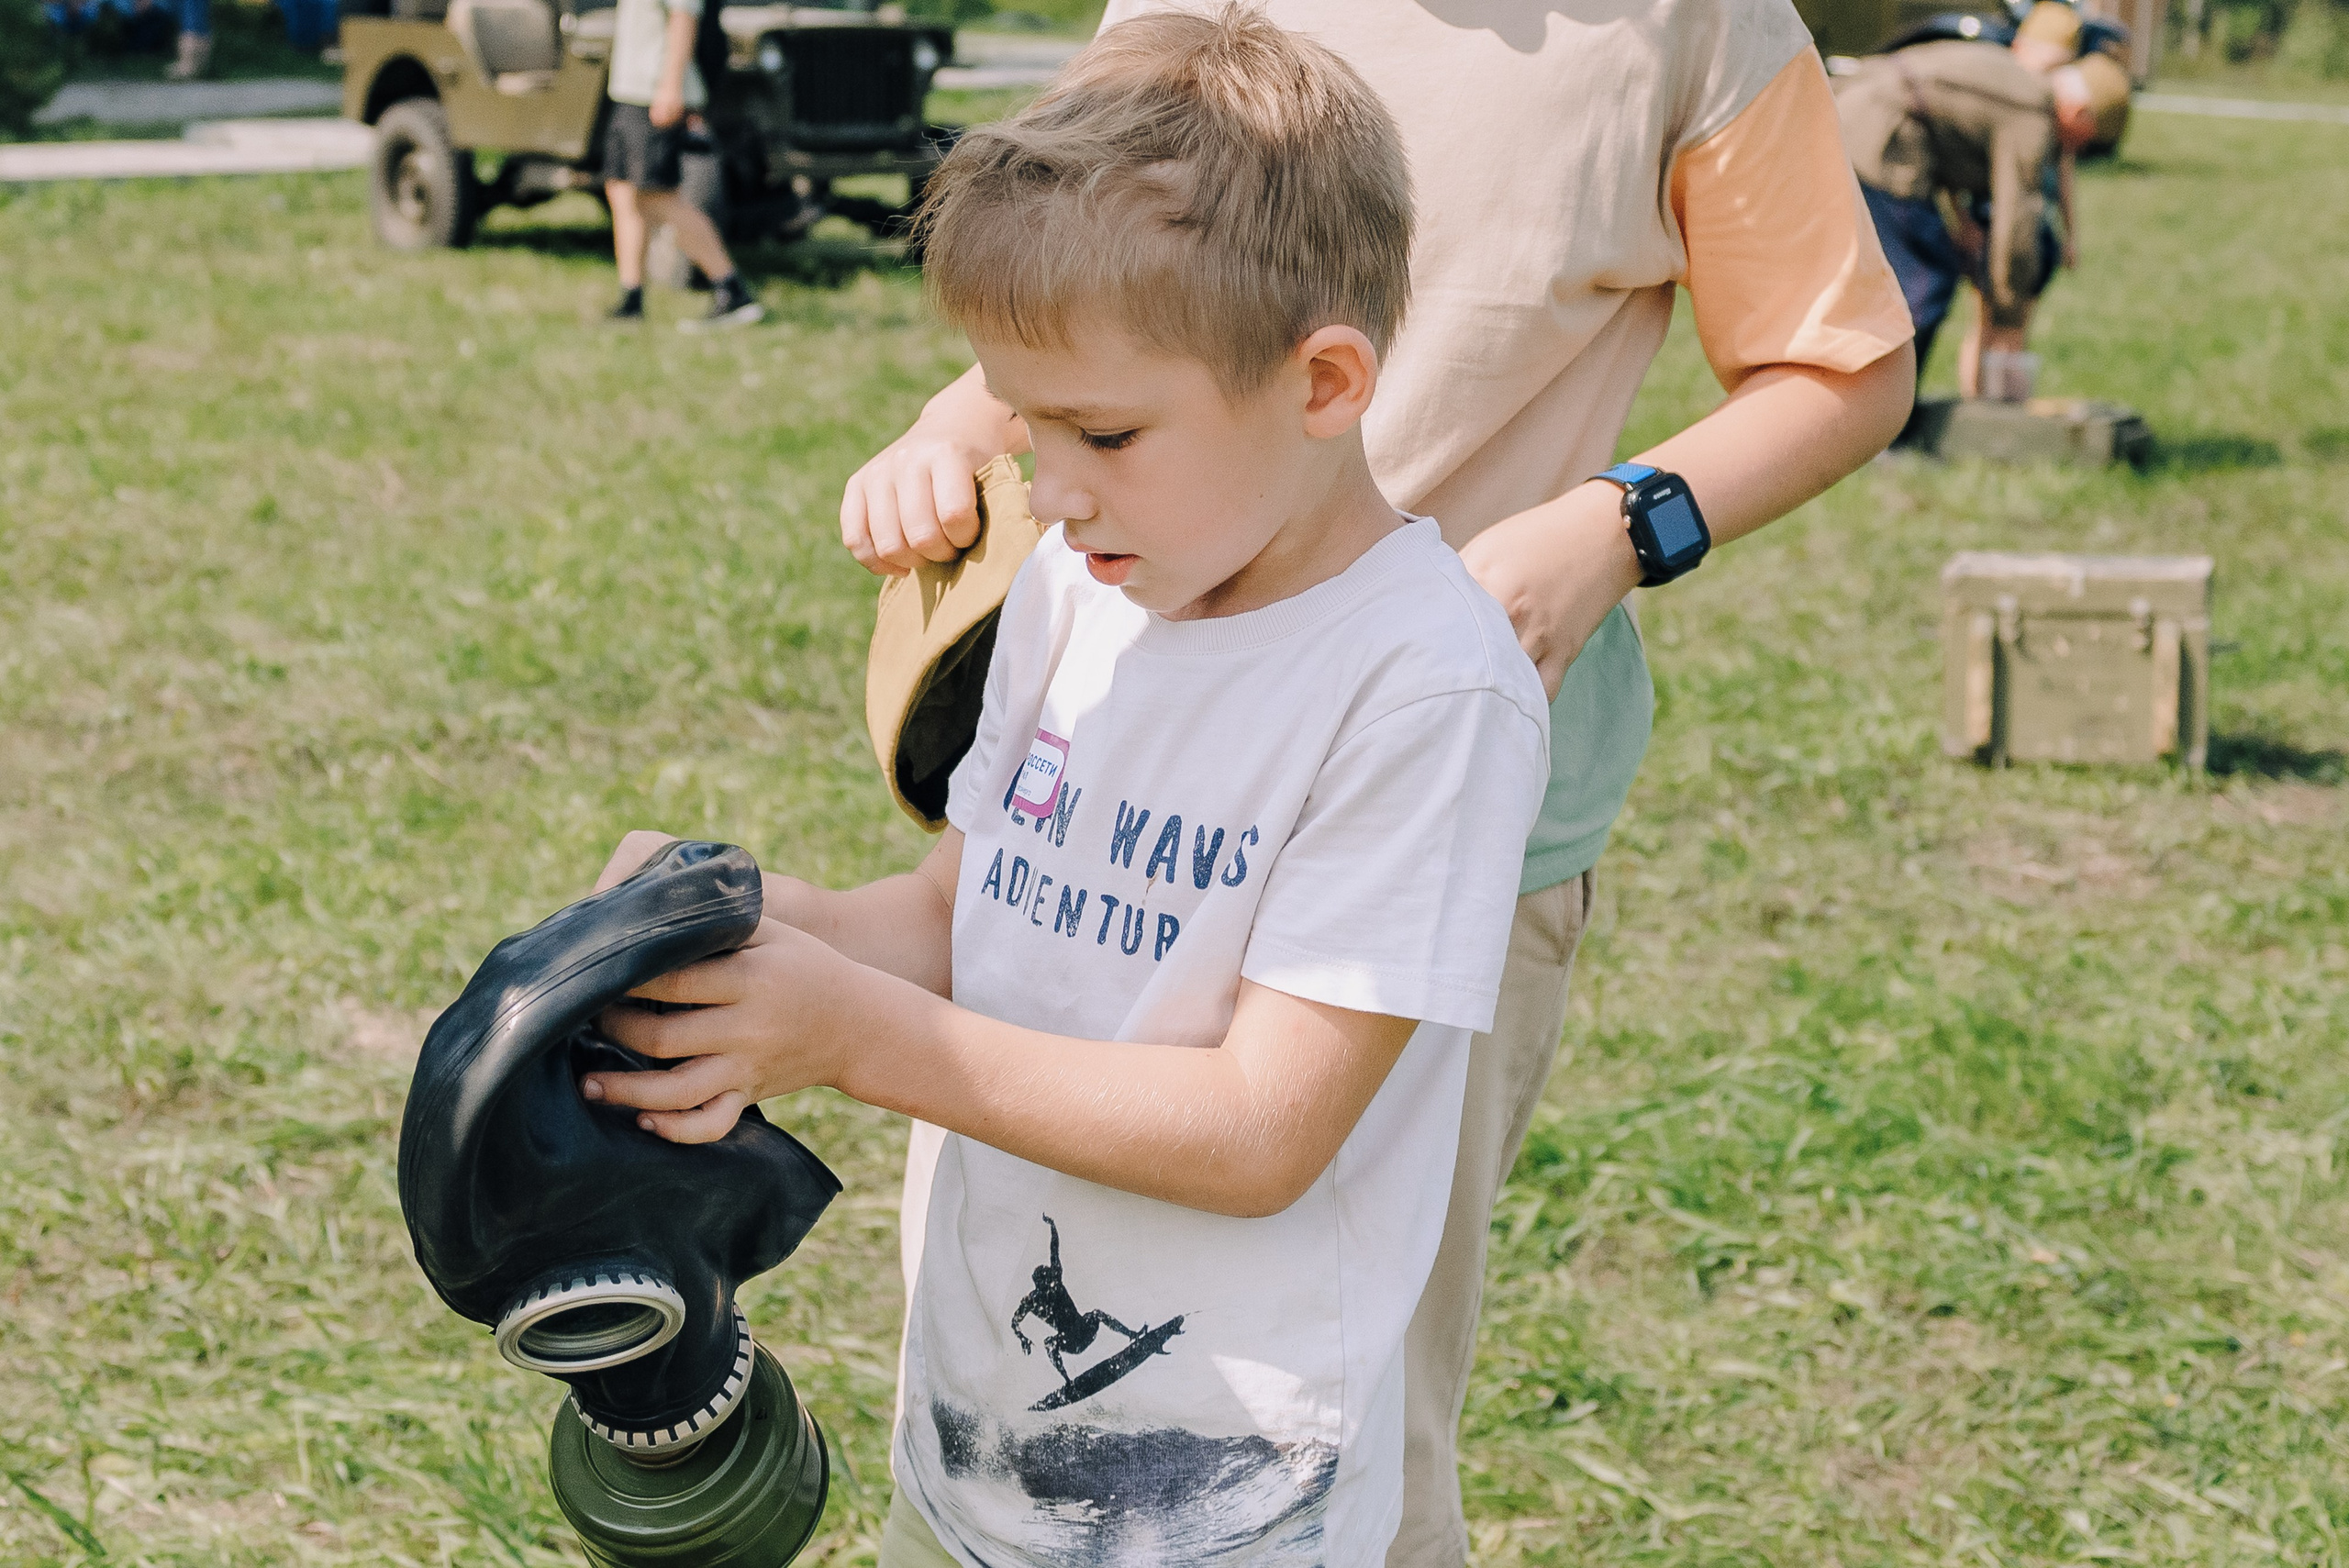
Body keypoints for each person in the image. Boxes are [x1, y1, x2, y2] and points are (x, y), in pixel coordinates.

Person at [840, 1, 1918, 1561]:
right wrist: (961, 422)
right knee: (1017, 1288)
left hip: (1429, 779)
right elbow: (1078, 280)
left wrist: (1612, 528)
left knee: (1333, 1369)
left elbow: (1846, 369)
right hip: (1132, 727)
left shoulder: (1693, 22)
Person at [578, 12, 1553, 1563]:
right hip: (975, 1457)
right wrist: (732, 918)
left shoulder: (1420, 686)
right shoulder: (1074, 586)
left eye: (1102, 429)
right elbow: (950, 913)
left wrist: (850, 1035)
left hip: (1230, 1507)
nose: (1050, 482)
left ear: (1325, 380)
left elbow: (1260, 1127)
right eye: (1024, 423)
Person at [1838, 21, 2127, 400]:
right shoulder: (2033, 113)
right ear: (2077, 112)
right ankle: (1886, 418)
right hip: (1878, 134)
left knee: (1921, 277)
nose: (2076, 149)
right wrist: (2009, 308)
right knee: (1923, 283)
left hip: (1869, 116)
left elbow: (1950, 133)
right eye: (2086, 139)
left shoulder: (2024, 85)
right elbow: (2017, 219)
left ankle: (1886, 410)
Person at [601, 0, 762, 329]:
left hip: (655, 92)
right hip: (629, 91)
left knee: (655, 195)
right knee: (622, 190)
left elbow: (684, 17)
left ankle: (732, 291)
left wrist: (670, 87)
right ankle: (631, 300)